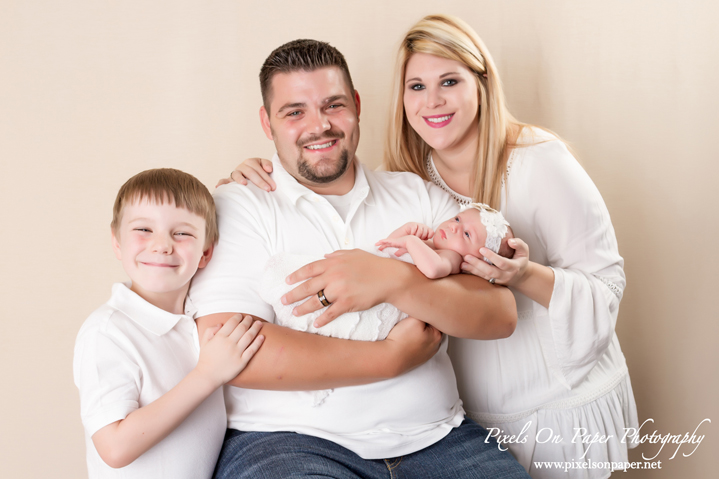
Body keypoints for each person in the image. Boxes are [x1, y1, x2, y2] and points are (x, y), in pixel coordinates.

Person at [228, 14, 638, 479]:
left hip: (551, 391)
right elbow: (229, 348)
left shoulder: (536, 163)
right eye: (416, 87)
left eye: (449, 81)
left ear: (482, 84)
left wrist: (400, 278)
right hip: (476, 409)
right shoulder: (415, 175)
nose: (433, 101)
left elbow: (582, 290)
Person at [190, 39, 530, 478]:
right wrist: (390, 358)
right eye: (294, 112)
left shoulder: (417, 196)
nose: (319, 126)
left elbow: (498, 314)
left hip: (437, 438)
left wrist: (393, 280)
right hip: (285, 443)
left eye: (333, 105)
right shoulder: (240, 205)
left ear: (355, 105)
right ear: (267, 122)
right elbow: (227, 346)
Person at [73, 168, 265, 479]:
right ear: (117, 243)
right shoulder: (108, 331)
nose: (162, 245)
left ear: (205, 252)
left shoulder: (198, 322)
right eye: (144, 230)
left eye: (182, 233)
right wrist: (207, 375)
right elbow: (115, 448)